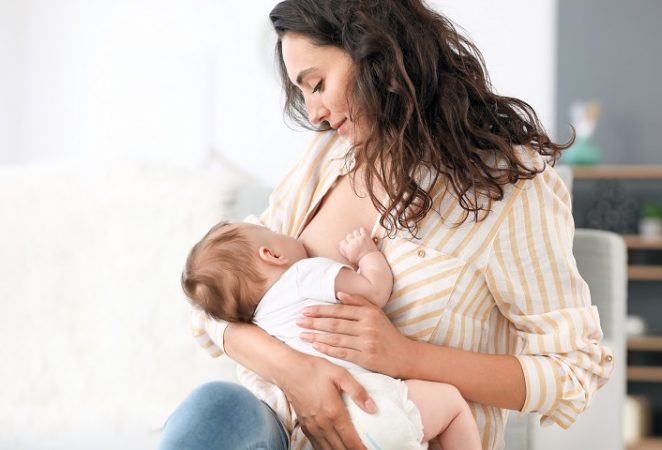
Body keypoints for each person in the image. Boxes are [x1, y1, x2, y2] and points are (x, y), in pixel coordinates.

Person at [159, 1, 615, 449]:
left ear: (374, 51)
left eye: (317, 84)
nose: (313, 113)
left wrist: (406, 357)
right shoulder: (327, 156)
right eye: (304, 93)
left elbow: (573, 369)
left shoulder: (506, 187)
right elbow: (210, 305)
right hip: (279, 433)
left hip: (398, 435)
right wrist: (295, 371)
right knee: (214, 407)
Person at [180, 221, 482, 450]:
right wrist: (367, 254)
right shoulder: (303, 275)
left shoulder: (260, 324)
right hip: (373, 406)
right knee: (453, 405)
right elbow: (375, 291)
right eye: (275, 233)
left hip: (323, 436)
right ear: (272, 254)